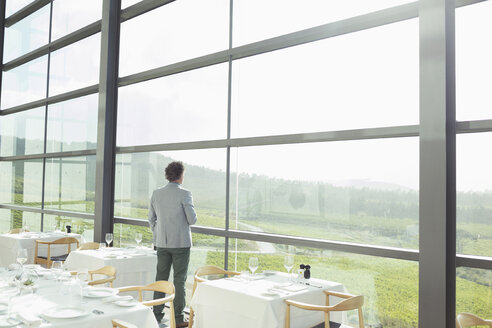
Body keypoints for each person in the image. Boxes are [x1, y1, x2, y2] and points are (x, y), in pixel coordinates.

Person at [148, 161, 197, 328]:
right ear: (181, 175)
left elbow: (151, 219)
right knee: (180, 281)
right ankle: (177, 317)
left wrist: (159, 233)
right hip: (181, 244)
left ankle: (156, 314)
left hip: (162, 243)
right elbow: (192, 220)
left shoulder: (156, 193)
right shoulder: (185, 194)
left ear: (168, 175)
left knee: (160, 279)